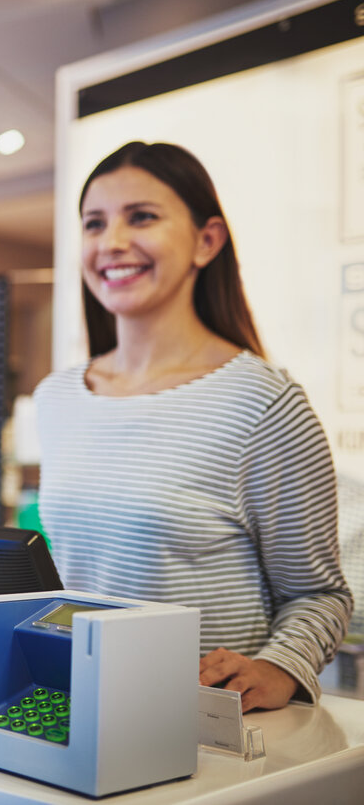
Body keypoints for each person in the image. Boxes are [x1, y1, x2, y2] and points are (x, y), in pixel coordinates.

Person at [34, 141, 353, 712]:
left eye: (142, 217)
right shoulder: (57, 398)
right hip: (80, 708)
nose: (111, 243)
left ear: (207, 241)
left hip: (205, 730)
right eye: (94, 224)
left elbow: (320, 594)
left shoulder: (264, 402)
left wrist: (279, 667)